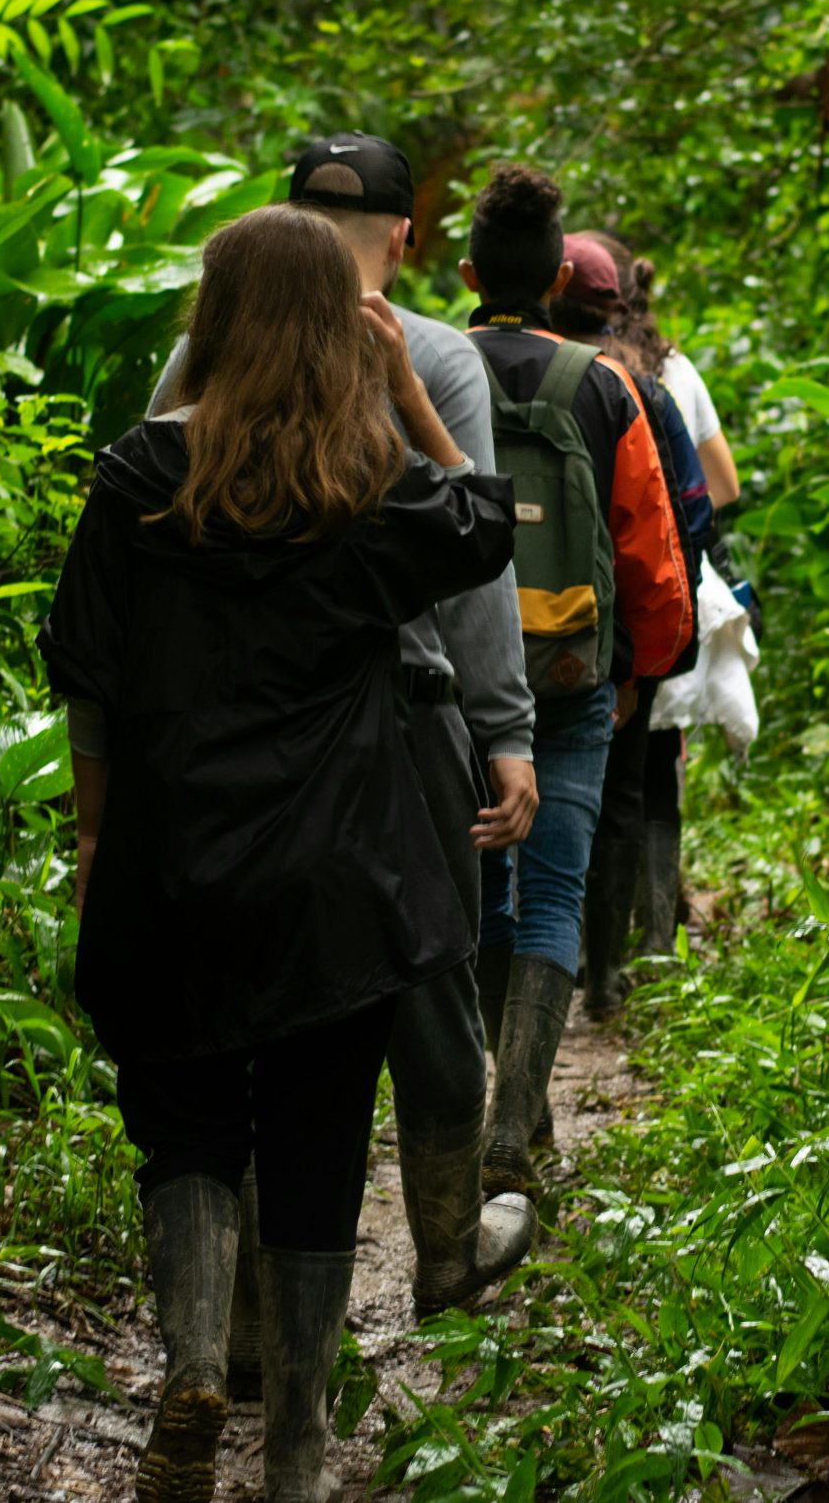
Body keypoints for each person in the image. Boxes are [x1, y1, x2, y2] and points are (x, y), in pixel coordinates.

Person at [42, 205, 517, 1503]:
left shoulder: (140, 476)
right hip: (338, 876)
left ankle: (198, 1362)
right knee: (315, 1134)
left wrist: (94, 837)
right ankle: (298, 1441)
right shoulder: (370, 487)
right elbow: (488, 520)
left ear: (216, 314)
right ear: (337, 327)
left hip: (174, 853)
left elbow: (85, 675)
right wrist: (412, 387)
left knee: (185, 1121)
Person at [146, 135, 541, 1361]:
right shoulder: (425, 353)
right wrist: (508, 730)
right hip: (402, 725)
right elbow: (477, 553)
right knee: (427, 988)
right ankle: (442, 1246)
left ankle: (249, 1329)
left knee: (252, 1020)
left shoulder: (202, 351)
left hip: (216, 734)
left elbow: (142, 510)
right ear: (405, 238)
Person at [460, 165, 693, 1196]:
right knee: (553, 883)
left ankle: (514, 1104)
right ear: (559, 274)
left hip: (457, 685)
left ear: (466, 271)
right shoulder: (605, 386)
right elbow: (651, 550)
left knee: (481, 896)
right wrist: (644, 666)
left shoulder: (424, 366)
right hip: (569, 674)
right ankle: (514, 1124)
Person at [547, 233, 711, 1020]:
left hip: (498, 639)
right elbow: (688, 517)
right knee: (617, 799)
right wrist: (648, 660)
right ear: (617, 304)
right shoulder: (638, 388)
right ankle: (603, 975)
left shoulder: (483, 369)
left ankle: (535, 975)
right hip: (608, 647)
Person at [582, 232, 748, 965]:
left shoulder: (570, 364)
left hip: (581, 602)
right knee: (656, 776)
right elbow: (725, 487)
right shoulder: (672, 371)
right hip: (660, 598)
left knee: (594, 777)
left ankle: (594, 951)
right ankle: (653, 938)